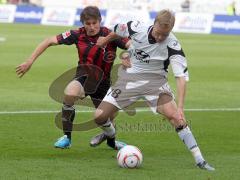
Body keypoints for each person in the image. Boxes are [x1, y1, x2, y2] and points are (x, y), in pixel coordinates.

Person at [93, 9, 215, 170]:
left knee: (176, 118)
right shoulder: (136, 27)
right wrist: (105, 40)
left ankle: (200, 160)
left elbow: (181, 78)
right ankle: (110, 135)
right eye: (158, 33)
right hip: (130, 78)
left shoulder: (173, 45)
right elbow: (117, 30)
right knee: (99, 116)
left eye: (164, 35)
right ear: (154, 24)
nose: (160, 37)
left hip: (155, 83)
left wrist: (181, 107)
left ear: (170, 30)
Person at [16, 6, 130, 150]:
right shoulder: (78, 34)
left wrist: (127, 55)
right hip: (83, 77)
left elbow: (132, 45)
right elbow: (49, 41)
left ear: (100, 21)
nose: (91, 27)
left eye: (94, 23)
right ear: (83, 23)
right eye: (87, 24)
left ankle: (110, 140)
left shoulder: (110, 35)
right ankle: (67, 137)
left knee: (109, 116)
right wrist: (29, 61)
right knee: (70, 93)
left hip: (104, 83)